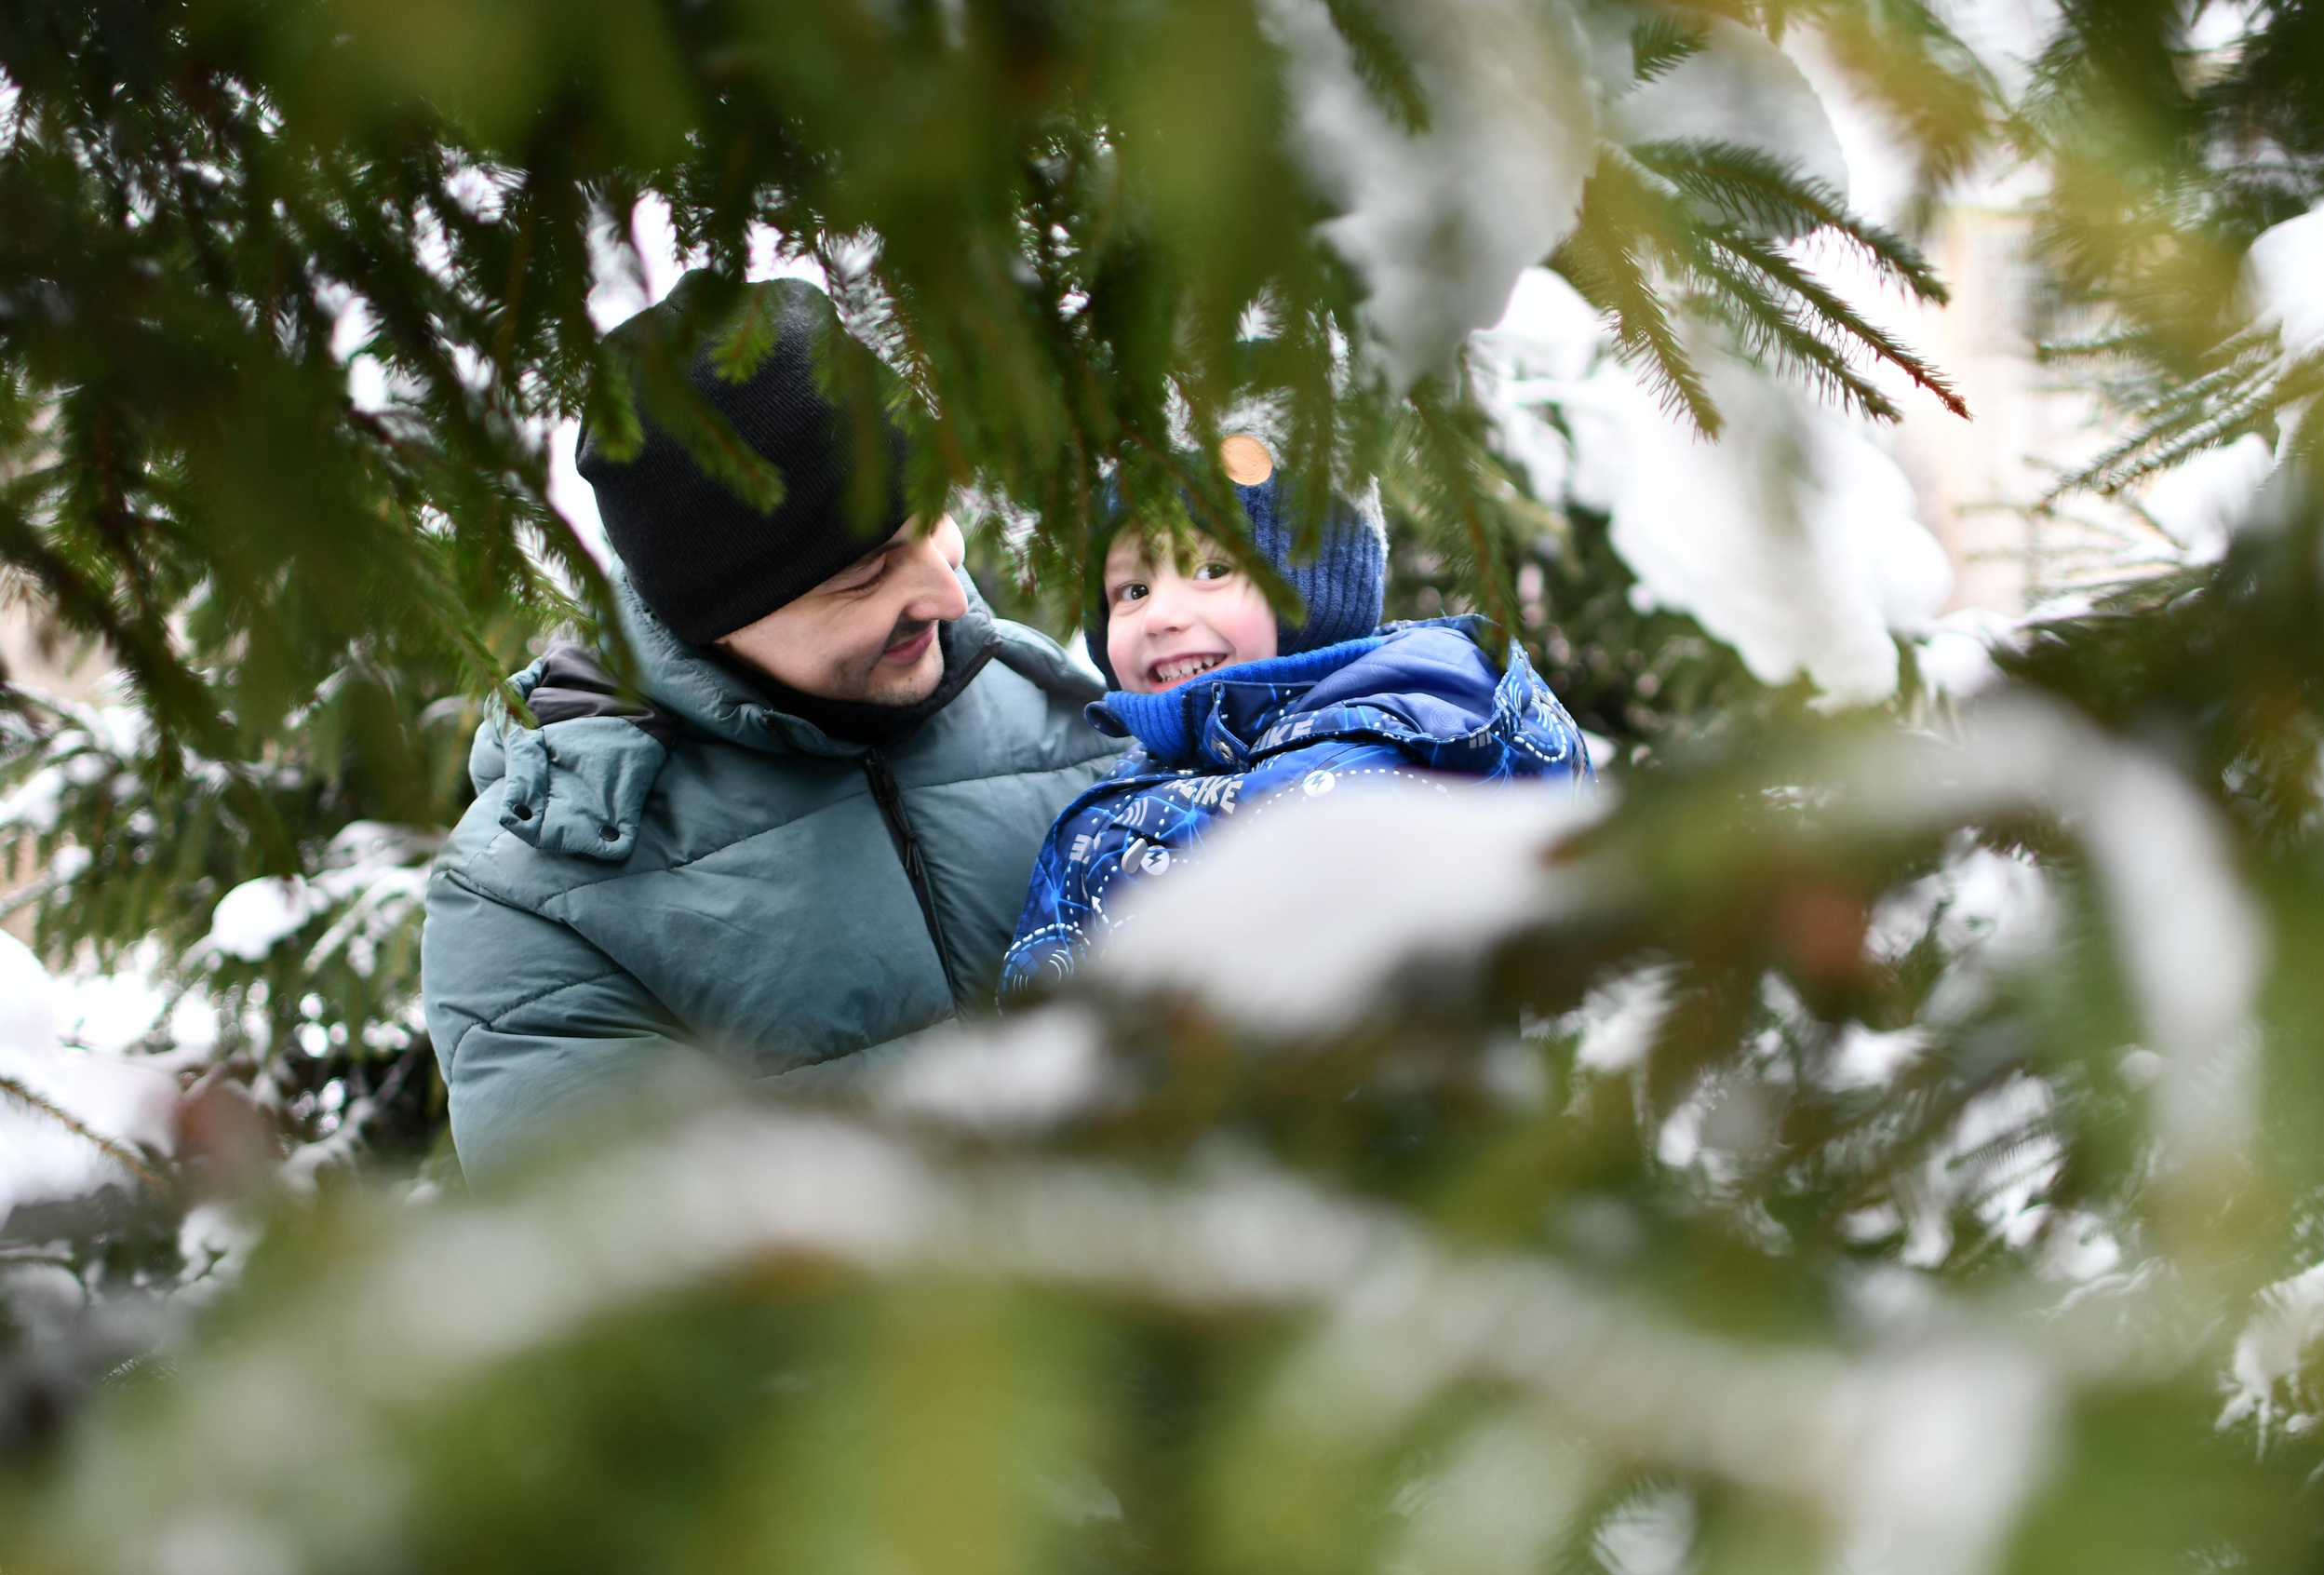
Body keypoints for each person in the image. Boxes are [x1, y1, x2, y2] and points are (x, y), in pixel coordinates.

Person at [422, 274, 1118, 1178]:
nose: (949, 594)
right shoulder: (535, 889)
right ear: (716, 616)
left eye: (933, 519)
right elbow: (634, 1276)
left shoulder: (1064, 711)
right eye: (867, 571)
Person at [1000, 435, 1592, 993]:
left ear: (1317, 595)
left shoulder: (1359, 768)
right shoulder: (1161, 767)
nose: (1160, 617)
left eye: (1212, 571)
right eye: (1132, 591)